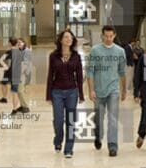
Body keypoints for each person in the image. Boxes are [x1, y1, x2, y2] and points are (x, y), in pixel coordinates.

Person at [86, 25, 127, 156]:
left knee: (113, 118)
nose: (109, 39)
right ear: (102, 36)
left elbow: (122, 72)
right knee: (98, 118)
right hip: (98, 91)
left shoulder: (120, 51)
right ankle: (98, 136)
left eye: (111, 36)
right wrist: (91, 90)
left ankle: (112, 145)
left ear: (114, 35)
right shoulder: (95, 50)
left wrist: (124, 90)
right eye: (106, 36)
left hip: (113, 90)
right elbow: (90, 71)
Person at [46, 29, 84, 159]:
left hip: (72, 92)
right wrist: (48, 95)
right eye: (66, 37)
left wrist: (81, 94)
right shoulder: (53, 56)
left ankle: (68, 148)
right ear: (61, 40)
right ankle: (58, 140)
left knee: (71, 121)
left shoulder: (76, 56)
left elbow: (79, 76)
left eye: (71, 38)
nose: (69, 39)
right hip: (56, 92)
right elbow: (50, 75)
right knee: (58, 120)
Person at [9, 38, 32, 115]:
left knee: (20, 90)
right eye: (17, 43)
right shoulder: (18, 51)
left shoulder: (27, 51)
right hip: (18, 73)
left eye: (20, 42)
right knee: (19, 90)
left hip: (23, 73)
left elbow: (25, 63)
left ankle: (26, 107)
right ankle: (23, 106)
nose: (19, 44)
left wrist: (20, 73)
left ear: (24, 43)